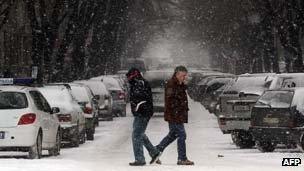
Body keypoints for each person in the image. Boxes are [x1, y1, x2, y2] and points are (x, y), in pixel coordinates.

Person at [155, 66, 194, 165]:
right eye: (182, 76)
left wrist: (183, 85)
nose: (184, 78)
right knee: (181, 135)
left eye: (185, 76)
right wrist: (178, 110)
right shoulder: (171, 84)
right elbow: (170, 100)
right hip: (174, 115)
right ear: (177, 74)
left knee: (173, 135)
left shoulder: (178, 84)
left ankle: (155, 151)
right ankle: (182, 158)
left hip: (177, 114)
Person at [126, 68, 161, 166]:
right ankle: (154, 152)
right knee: (139, 133)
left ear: (133, 76)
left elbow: (140, 97)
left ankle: (140, 159)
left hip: (143, 112)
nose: (128, 80)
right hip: (143, 112)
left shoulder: (139, 83)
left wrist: (137, 107)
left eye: (129, 77)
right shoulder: (139, 82)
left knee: (136, 135)